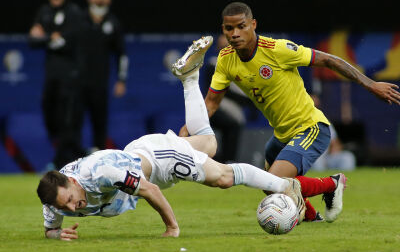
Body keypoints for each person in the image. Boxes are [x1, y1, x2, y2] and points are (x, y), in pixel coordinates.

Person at [36, 36, 305, 241]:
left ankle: (285, 186)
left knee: (222, 177)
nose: (74, 206)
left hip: (158, 162)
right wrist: (57, 234)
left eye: (71, 198)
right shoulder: (55, 200)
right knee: (209, 144)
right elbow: (50, 228)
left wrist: (172, 228)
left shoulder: (102, 173)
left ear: (73, 181)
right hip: (140, 153)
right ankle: (189, 78)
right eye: (66, 206)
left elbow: (150, 191)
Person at [179, 2, 400, 222]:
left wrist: (371, 84)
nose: (235, 33)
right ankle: (312, 218)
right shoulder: (226, 60)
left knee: (274, 179)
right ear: (223, 29)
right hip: (281, 135)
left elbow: (329, 60)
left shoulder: (278, 49)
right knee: (268, 186)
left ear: (253, 25)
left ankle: (332, 184)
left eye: (241, 26)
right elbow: (211, 103)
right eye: (229, 28)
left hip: (310, 128)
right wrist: (190, 127)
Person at [29, 0, 85, 169]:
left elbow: (69, 41)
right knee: (49, 115)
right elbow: (32, 41)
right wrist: (49, 38)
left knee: (67, 121)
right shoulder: (43, 12)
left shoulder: (74, 12)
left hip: (70, 75)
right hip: (51, 75)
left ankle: (62, 163)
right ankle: (82, 154)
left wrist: (45, 36)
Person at [80, 0, 129, 151]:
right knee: (72, 123)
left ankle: (98, 158)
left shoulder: (113, 23)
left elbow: (121, 54)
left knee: (99, 123)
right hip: (77, 82)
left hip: (100, 83)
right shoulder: (79, 19)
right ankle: (70, 160)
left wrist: (121, 80)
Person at [203, 35, 250, 163]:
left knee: (234, 124)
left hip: (234, 108)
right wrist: (246, 100)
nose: (225, 50)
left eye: (228, 47)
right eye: (222, 47)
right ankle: (227, 160)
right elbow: (221, 90)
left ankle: (227, 160)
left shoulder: (241, 64)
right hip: (215, 107)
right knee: (232, 125)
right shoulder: (213, 63)